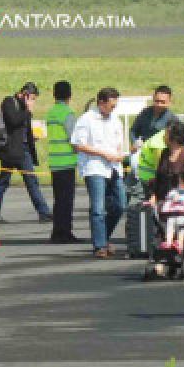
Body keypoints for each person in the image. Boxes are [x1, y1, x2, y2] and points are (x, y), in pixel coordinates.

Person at [71, 87, 128, 259]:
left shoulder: (115, 120)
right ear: (101, 103)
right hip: (94, 167)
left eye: (115, 105)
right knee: (98, 208)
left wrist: (119, 154)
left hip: (113, 167)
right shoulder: (86, 120)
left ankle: (104, 236)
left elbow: (119, 143)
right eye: (111, 105)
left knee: (120, 205)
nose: (113, 109)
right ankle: (99, 245)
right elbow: (77, 144)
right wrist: (103, 153)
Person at [0, 82, 52, 224]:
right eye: (32, 98)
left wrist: (33, 137)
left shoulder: (24, 108)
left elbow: (24, 128)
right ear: (25, 94)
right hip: (12, 151)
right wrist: (28, 110)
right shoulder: (9, 102)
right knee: (5, 183)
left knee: (29, 181)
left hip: (23, 150)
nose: (33, 102)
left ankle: (43, 212)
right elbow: (13, 121)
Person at [147, 121, 184, 257]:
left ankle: (178, 254)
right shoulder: (165, 153)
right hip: (164, 200)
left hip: (182, 202)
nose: (164, 136)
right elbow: (159, 176)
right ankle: (162, 256)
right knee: (159, 220)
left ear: (174, 136)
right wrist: (153, 194)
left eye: (166, 133)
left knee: (177, 221)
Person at [46, 81, 81, 243]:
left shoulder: (51, 112)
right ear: (70, 95)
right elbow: (74, 138)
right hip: (66, 161)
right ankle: (65, 232)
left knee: (58, 199)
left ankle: (57, 231)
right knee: (66, 200)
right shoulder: (67, 113)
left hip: (54, 161)